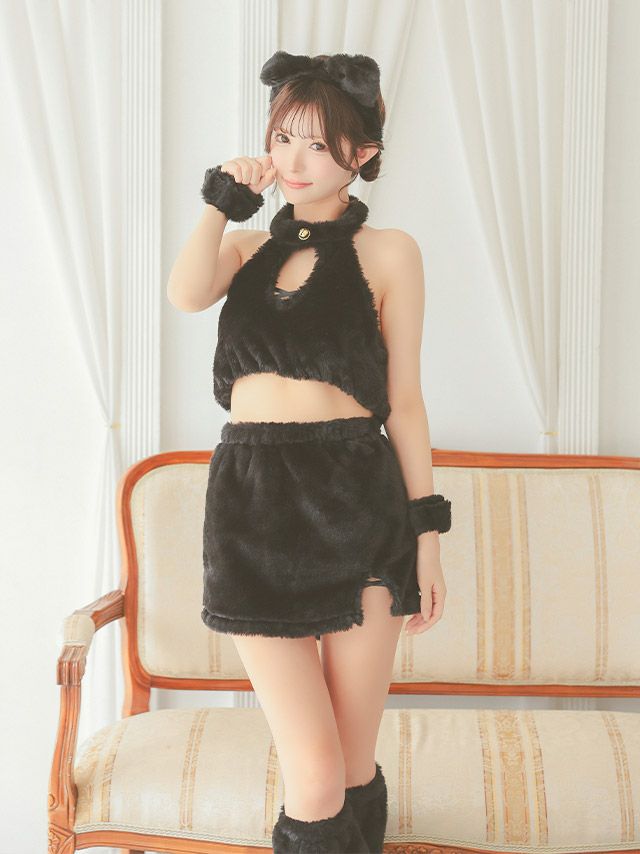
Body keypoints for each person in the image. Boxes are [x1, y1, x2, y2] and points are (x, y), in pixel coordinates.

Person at [168, 50, 452, 854]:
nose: (294, 160)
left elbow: (404, 403)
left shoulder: (391, 252)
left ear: (362, 154)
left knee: (351, 769)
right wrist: (221, 204)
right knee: (317, 776)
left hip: (359, 506)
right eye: (282, 138)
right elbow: (185, 293)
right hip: (254, 511)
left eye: (319, 145)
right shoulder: (243, 250)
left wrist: (427, 539)